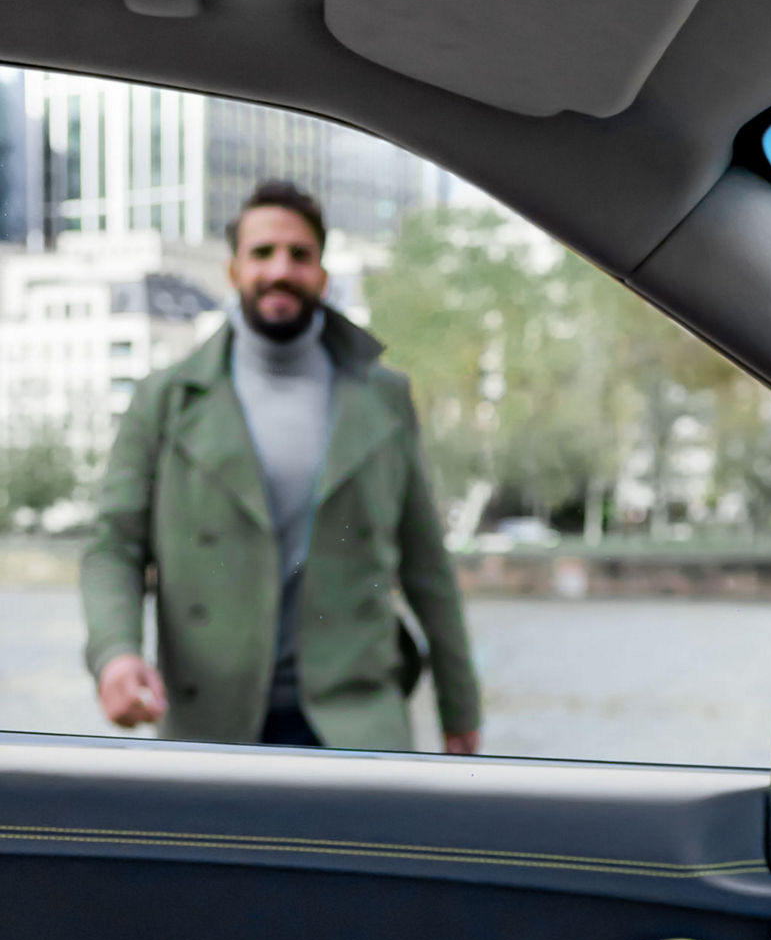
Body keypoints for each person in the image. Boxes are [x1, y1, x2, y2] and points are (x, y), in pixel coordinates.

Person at [81, 180, 482, 753]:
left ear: (322, 272)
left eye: (300, 254)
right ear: (233, 270)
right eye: (262, 253)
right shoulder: (164, 400)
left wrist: (459, 709)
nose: (280, 269)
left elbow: (428, 568)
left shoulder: (383, 396)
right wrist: (115, 655)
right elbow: (113, 547)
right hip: (208, 725)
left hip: (358, 723)